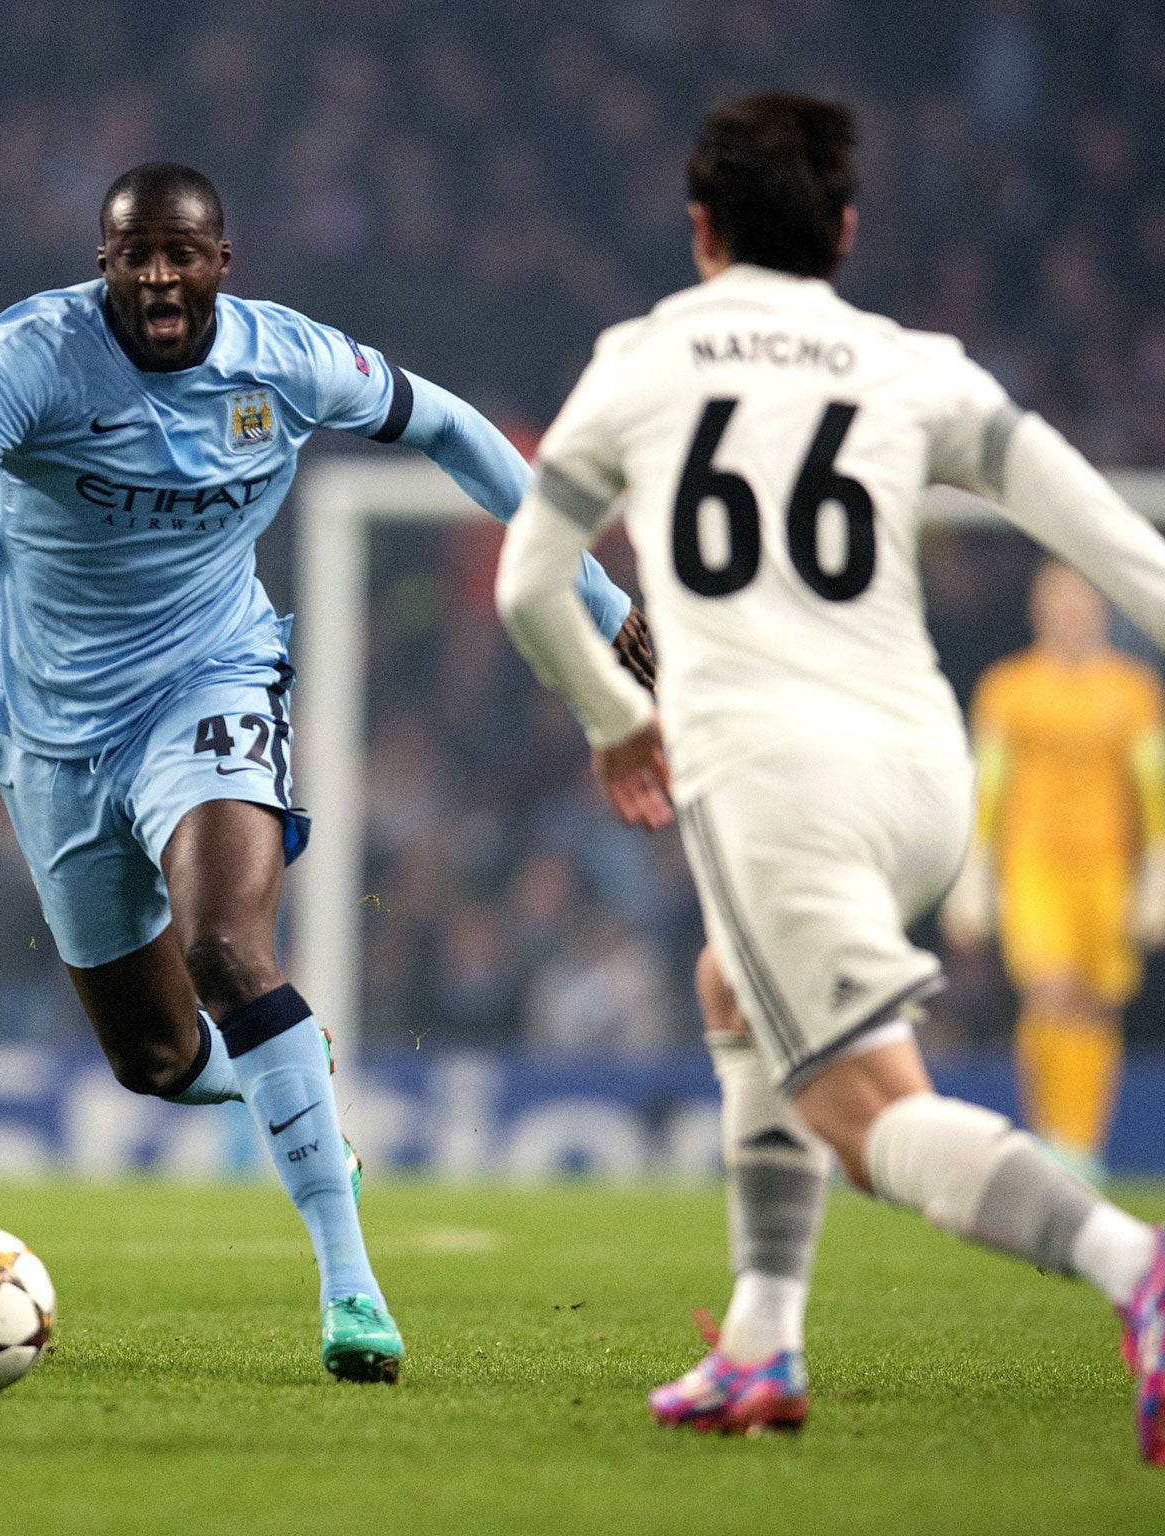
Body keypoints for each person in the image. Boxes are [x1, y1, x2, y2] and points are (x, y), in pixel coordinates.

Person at [0, 161, 651, 1383]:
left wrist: (600, 592)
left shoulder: (287, 360)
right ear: (102, 266)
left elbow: (461, 434)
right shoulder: (31, 355)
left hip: (211, 681)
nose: (156, 274)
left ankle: (349, 1286)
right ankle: (287, 1097)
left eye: (180, 253)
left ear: (220, 263)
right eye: (132, 254)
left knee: (227, 948)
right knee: (151, 1059)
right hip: (46, 732)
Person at [494, 94, 1165, 1461]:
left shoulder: (642, 359)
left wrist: (613, 715)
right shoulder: (913, 363)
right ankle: (760, 1341)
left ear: (700, 230)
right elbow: (1102, 529)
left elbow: (526, 585)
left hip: (775, 784)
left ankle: (1134, 1268)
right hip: (922, 772)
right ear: (846, 232)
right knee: (732, 988)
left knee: (868, 1115)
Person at [942, 561, 1165, 1180]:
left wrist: (1158, 871)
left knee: (1096, 1004)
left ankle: (1082, 1145)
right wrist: (974, 871)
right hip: (1034, 864)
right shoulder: (1008, 689)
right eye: (1058, 603)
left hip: (1108, 868)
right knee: (1049, 986)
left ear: (1098, 613)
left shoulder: (1134, 689)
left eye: (1080, 603)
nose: (1069, 615)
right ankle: (1049, 1136)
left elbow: (1151, 787)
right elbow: (987, 784)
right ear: (1039, 611)